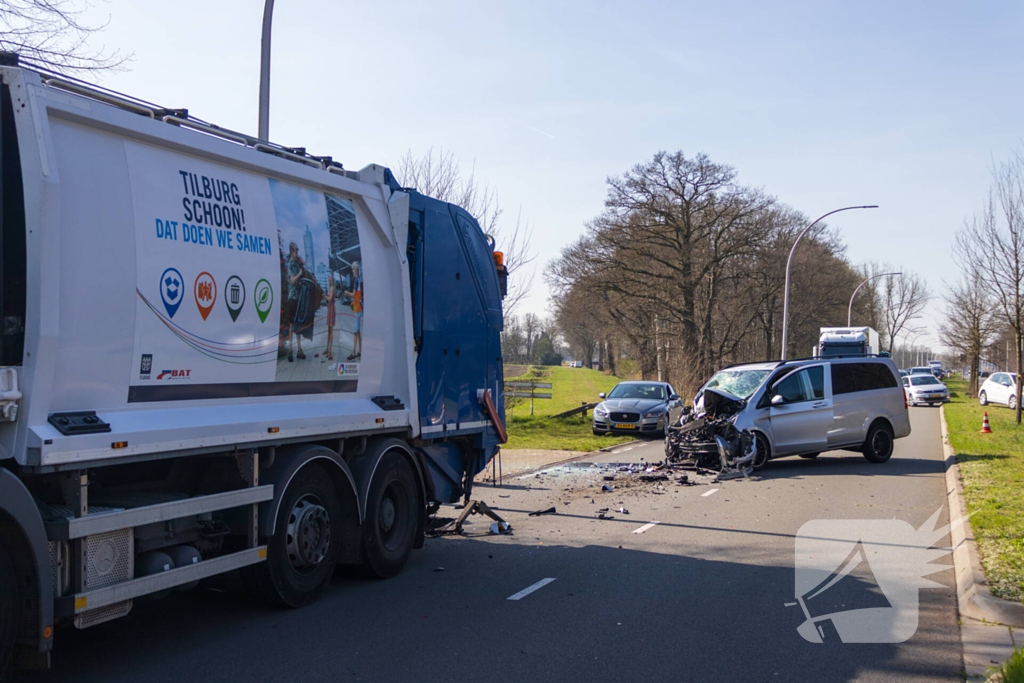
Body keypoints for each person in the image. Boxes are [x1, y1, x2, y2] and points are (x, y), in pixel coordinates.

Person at [286, 241, 305, 362]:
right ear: (291, 251)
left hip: (297, 298)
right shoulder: (290, 265)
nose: (297, 254)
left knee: (298, 324)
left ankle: (299, 350)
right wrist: (299, 275)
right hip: (292, 298)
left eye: (298, 252)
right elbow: (292, 281)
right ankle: (290, 352)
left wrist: (300, 281)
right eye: (296, 251)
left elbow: (297, 282)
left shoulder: (297, 266)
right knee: (291, 325)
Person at [344, 261, 363, 361]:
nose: (352, 270)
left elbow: (353, 294)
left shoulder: (356, 281)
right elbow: (357, 297)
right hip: (358, 307)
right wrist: (353, 302)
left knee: (355, 332)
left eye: (353, 268)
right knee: (358, 331)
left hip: (357, 309)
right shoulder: (358, 280)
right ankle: (360, 351)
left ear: (356, 269)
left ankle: (353, 352)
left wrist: (347, 293)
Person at [323, 271, 337, 361]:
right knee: (328, 330)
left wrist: (324, 296)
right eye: (328, 276)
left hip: (331, 309)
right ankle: (327, 348)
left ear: (332, 277)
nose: (329, 278)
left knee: (331, 330)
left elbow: (330, 298)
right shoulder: (330, 287)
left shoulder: (332, 288)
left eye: (330, 276)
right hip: (329, 308)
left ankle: (330, 350)